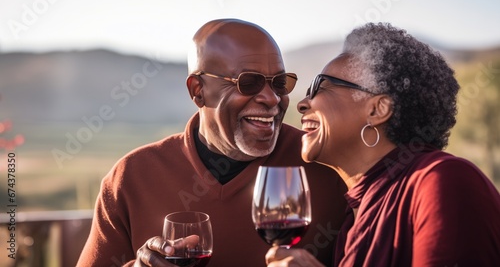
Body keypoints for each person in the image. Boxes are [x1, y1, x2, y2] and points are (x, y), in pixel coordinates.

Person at [77, 18, 347, 267]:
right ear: (198, 91)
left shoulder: (331, 164)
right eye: (248, 83)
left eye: (278, 83)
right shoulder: (131, 177)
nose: (272, 98)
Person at [266, 22, 500, 267]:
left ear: (377, 109)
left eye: (320, 86)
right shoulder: (351, 221)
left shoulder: (442, 180)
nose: (303, 103)